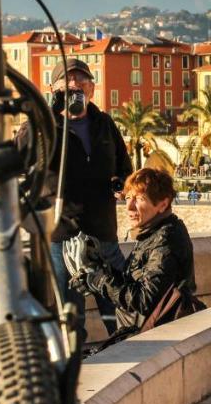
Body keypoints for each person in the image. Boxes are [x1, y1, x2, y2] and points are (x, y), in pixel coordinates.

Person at [24, 58, 132, 344]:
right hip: (60, 236)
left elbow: (125, 167)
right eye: (67, 84)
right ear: (54, 89)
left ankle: (129, 357)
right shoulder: (43, 125)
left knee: (120, 309)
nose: (75, 87)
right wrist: (49, 111)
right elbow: (21, 152)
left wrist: (122, 184)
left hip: (102, 234)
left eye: (82, 82)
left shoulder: (104, 123)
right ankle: (77, 371)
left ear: (92, 89)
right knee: (70, 317)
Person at [73, 168, 200, 338]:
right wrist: (99, 270)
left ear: (162, 204)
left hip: (156, 338)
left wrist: (100, 281)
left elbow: (144, 300)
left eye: (139, 199)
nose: (129, 206)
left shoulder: (166, 240)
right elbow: (134, 282)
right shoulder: (153, 232)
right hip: (146, 332)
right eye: (127, 198)